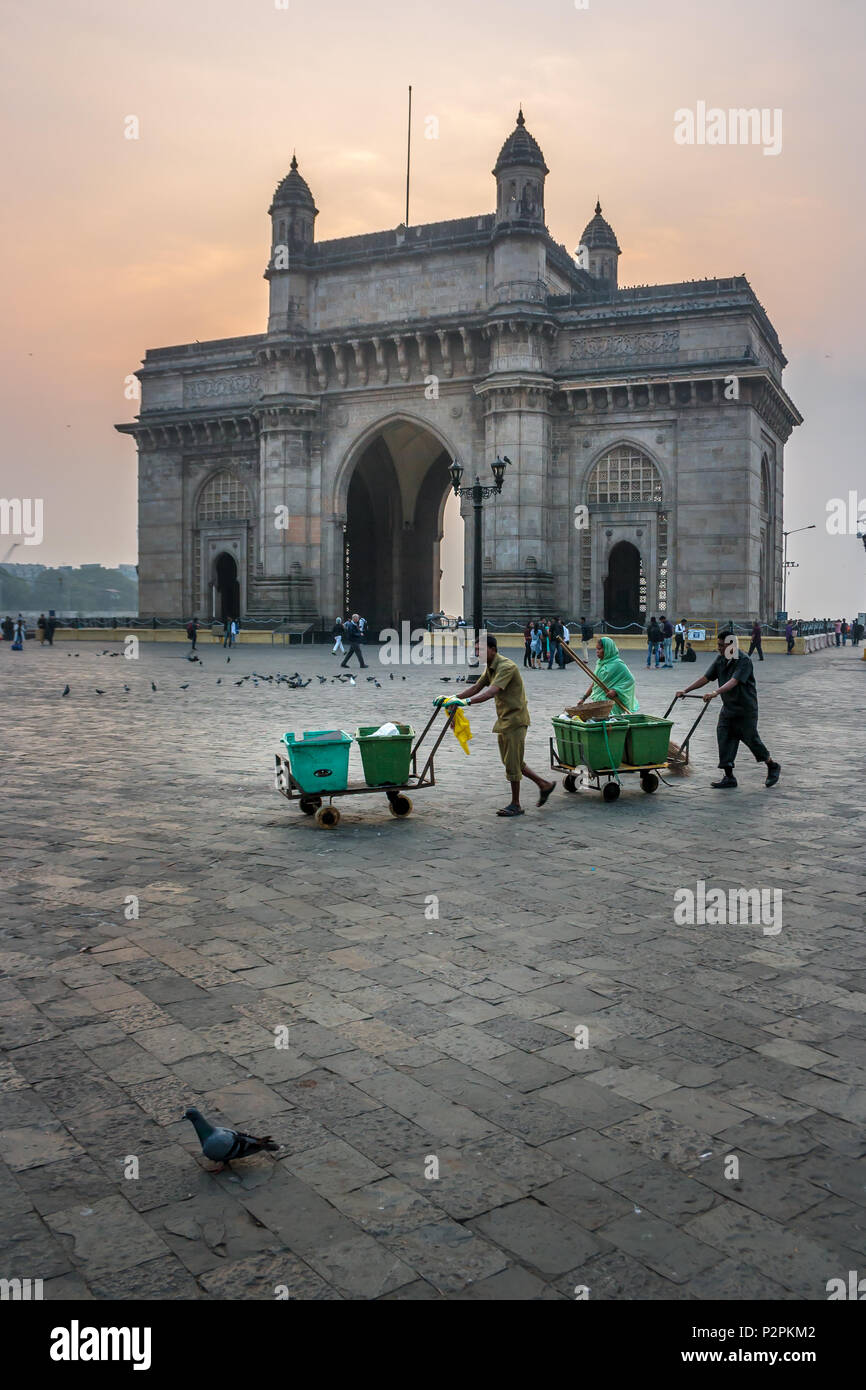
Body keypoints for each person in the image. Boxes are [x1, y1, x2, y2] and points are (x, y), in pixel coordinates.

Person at [440, 634, 555, 817]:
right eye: (476, 649)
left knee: (512, 762)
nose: (478, 653)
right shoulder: (491, 668)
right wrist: (451, 698)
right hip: (504, 719)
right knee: (513, 761)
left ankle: (516, 804)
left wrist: (466, 703)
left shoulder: (506, 667)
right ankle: (544, 784)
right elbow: (476, 687)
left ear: (493, 650)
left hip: (516, 719)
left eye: (481, 650)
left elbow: (491, 692)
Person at [676, 631, 780, 790]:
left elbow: (734, 681)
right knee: (724, 737)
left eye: (721, 645)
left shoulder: (743, 661)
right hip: (729, 708)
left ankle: (771, 765)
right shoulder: (720, 660)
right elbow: (706, 678)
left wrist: (716, 692)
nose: (718, 648)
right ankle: (729, 776)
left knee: (751, 739)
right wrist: (686, 690)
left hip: (745, 710)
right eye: (718, 645)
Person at [578, 636, 639, 711]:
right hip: (599, 702)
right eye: (596, 649)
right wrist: (584, 698)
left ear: (607, 650)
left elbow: (630, 680)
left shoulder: (618, 664)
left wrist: (615, 691)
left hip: (611, 705)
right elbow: (596, 682)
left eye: (599, 649)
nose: (597, 651)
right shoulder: (600, 664)